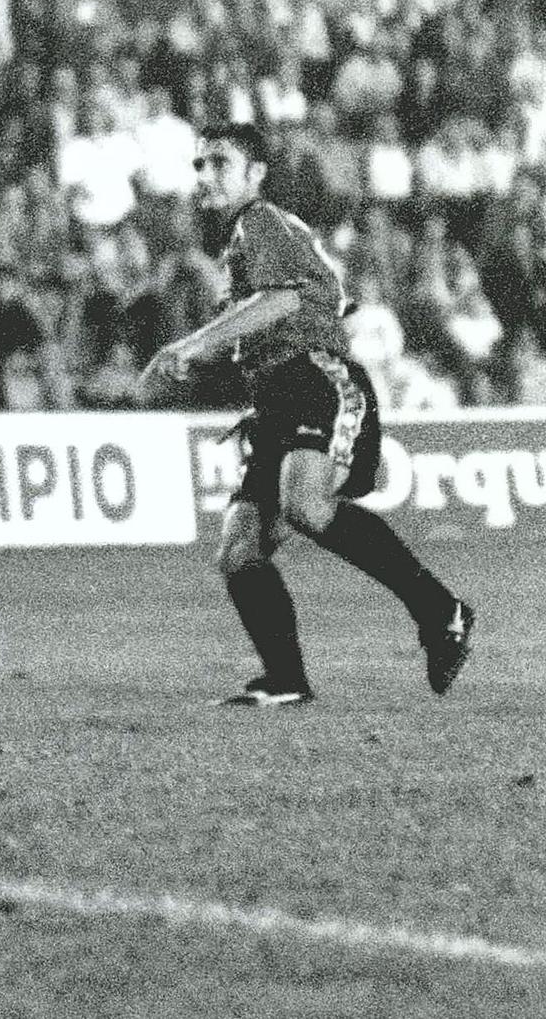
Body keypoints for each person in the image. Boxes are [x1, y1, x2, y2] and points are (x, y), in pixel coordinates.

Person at [139, 124, 475, 707]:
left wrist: (189, 348)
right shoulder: (242, 244)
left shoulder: (260, 222)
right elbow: (273, 318)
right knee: (240, 546)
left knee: (305, 503)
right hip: (276, 397)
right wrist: (207, 364)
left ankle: (440, 610)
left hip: (314, 379)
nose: (207, 175)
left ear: (256, 172)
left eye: (221, 162)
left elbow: (286, 301)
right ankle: (285, 679)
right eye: (199, 165)